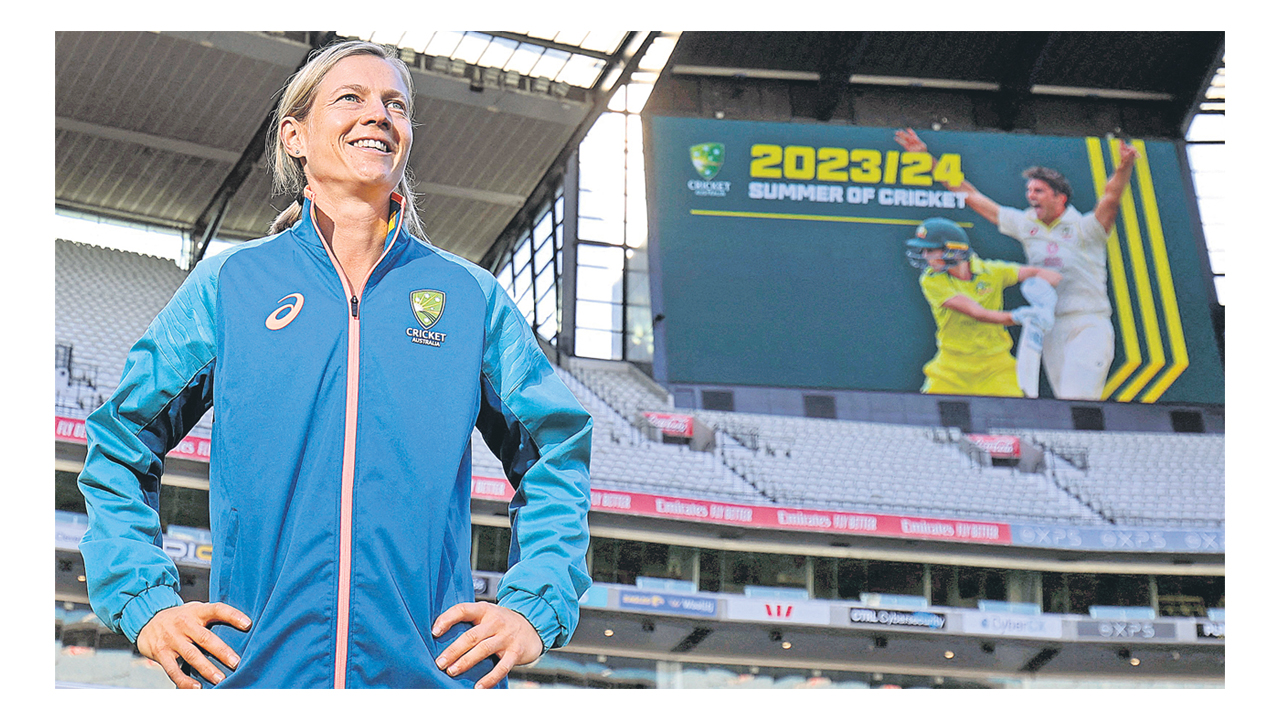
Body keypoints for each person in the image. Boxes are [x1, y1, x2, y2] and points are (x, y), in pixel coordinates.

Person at [76, 40, 593, 689]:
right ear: (294, 135)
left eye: (395, 105)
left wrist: (535, 604)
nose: (378, 114)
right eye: (351, 97)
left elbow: (556, 450)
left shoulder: (469, 297)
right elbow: (120, 438)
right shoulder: (230, 286)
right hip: (257, 677)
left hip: (431, 680)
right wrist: (145, 602)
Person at [894, 128, 1138, 400]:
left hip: (1087, 322)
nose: (1031, 196)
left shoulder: (1086, 228)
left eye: (1039, 191)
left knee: (1077, 399)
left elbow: (1110, 199)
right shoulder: (1025, 224)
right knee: (1065, 407)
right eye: (1029, 190)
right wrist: (928, 160)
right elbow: (971, 195)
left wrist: (1124, 167)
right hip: (1049, 327)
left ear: (1060, 197)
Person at [906, 217, 1061, 397]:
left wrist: (1045, 300)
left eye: (931, 250)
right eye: (924, 251)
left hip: (995, 366)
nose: (925, 256)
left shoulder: (992, 271)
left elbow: (1048, 275)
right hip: (951, 367)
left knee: (1016, 411)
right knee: (926, 412)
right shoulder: (931, 279)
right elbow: (976, 313)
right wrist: (1018, 317)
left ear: (955, 250)